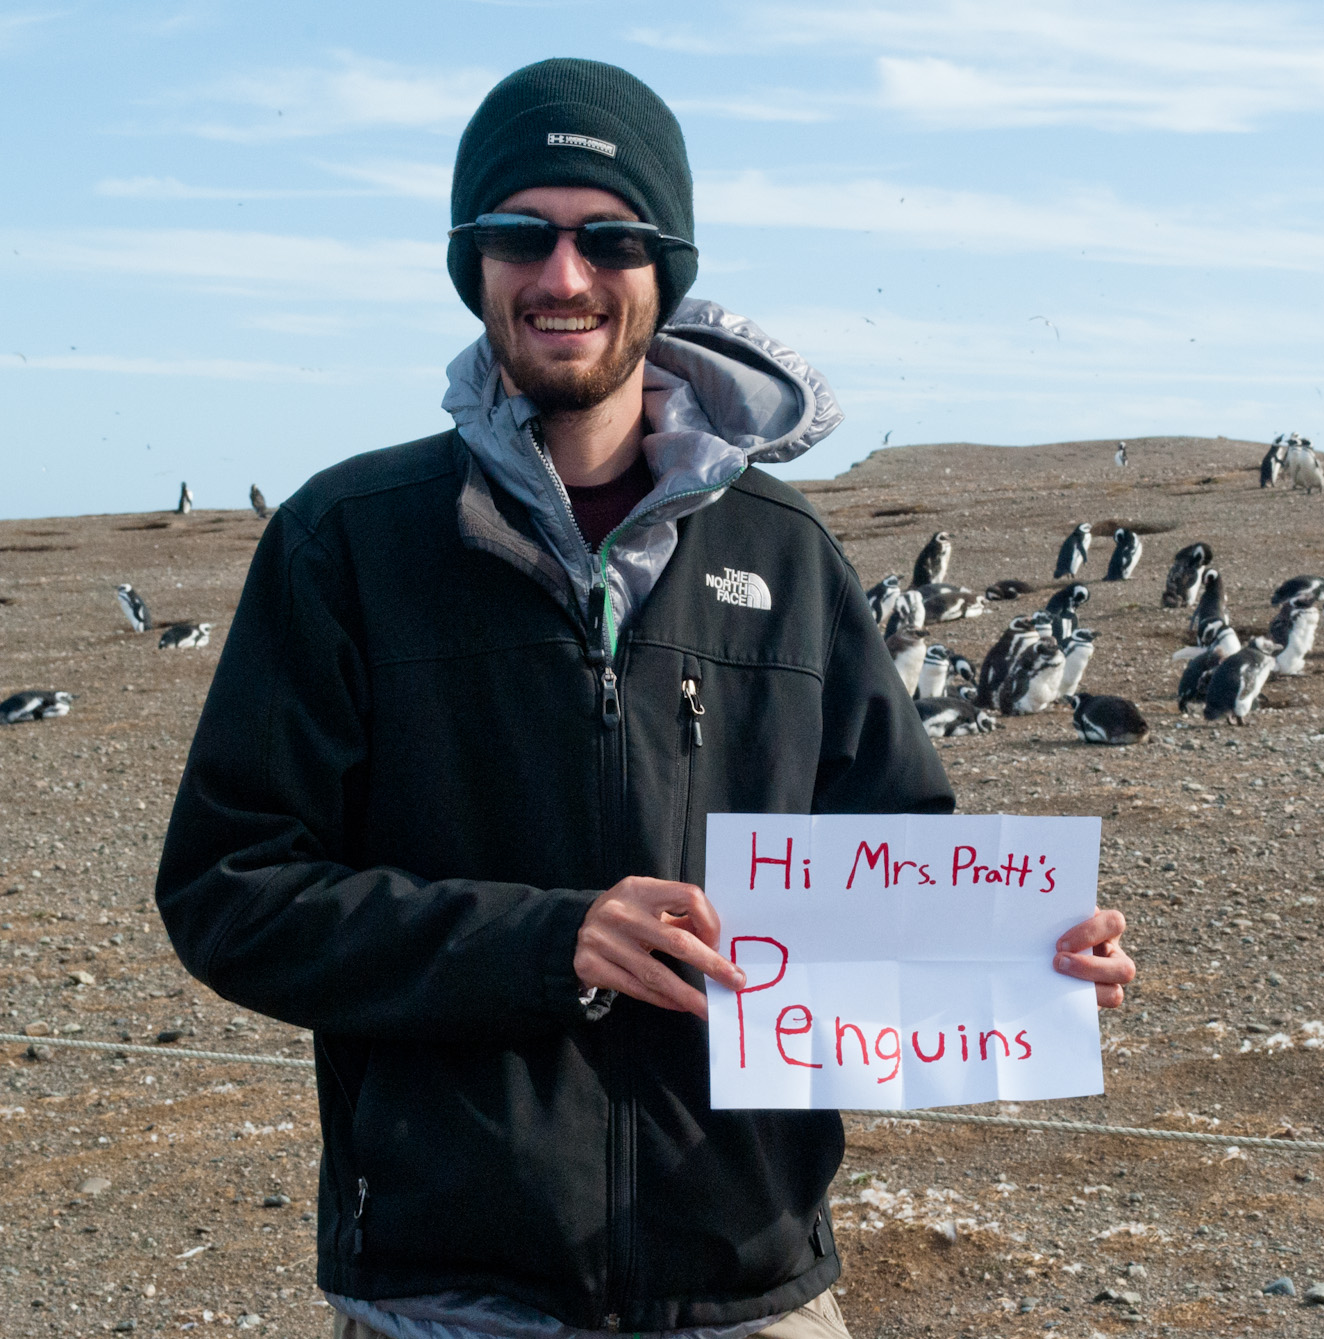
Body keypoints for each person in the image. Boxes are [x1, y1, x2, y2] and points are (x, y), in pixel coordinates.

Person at [155, 58, 1135, 1339]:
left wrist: (1016, 956)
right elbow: (231, 890)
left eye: (609, 238)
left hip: (746, 1281)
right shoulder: (348, 542)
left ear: (665, 268)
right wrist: (544, 942)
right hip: (451, 1295)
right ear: (472, 263)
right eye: (520, 233)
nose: (563, 275)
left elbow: (887, 861)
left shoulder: (786, 552)